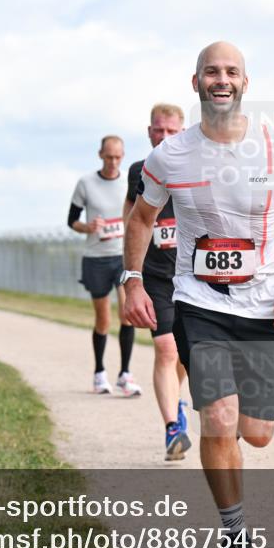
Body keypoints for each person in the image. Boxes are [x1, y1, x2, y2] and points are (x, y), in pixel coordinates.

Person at [123, 41, 274, 548]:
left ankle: (231, 446)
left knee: (256, 432)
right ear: (196, 82)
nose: (221, 79)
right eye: (212, 71)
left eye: (231, 71)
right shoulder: (170, 155)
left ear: (246, 83)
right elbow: (141, 218)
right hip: (198, 299)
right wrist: (132, 280)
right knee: (219, 417)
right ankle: (234, 536)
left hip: (263, 304)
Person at [123, 103, 192, 461]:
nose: (164, 138)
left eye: (171, 132)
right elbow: (130, 217)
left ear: (183, 131)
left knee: (183, 351)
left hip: (192, 277)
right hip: (156, 279)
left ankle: (177, 403)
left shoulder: (198, 167)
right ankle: (172, 429)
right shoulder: (139, 170)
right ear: (149, 131)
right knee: (166, 349)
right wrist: (130, 276)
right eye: (158, 131)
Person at [69, 136, 143, 397]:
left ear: (123, 156)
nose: (113, 162)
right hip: (96, 258)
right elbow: (72, 220)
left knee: (127, 314)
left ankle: (125, 374)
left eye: (117, 157)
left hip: (121, 257)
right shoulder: (86, 183)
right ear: (100, 154)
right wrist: (87, 227)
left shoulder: (129, 181)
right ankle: (100, 373)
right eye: (108, 156)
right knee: (103, 319)